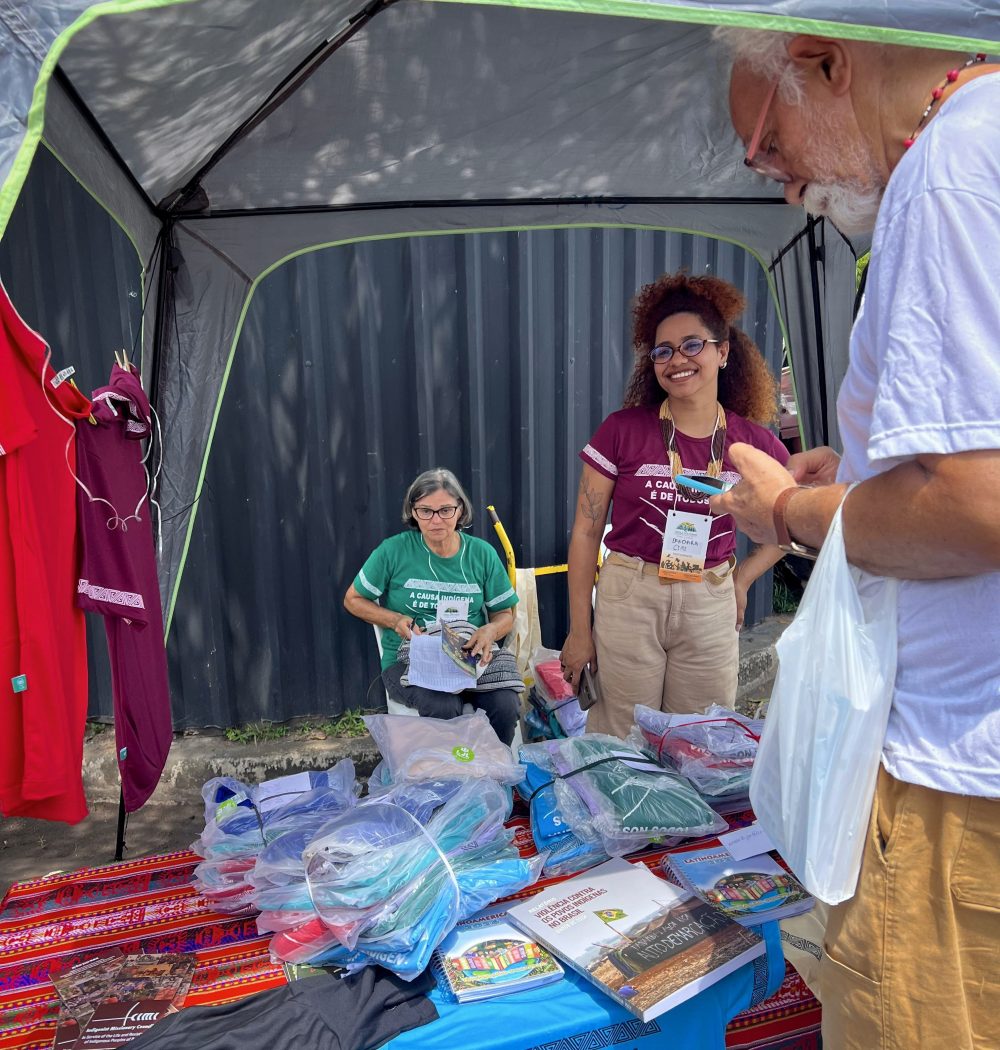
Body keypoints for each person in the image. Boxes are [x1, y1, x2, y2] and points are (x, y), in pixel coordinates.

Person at [712, 28, 1000, 1050]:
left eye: (768, 141)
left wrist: (784, 515)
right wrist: (873, 479)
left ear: (826, 60)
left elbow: (975, 508)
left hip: (954, 790)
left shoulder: (950, 167)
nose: (781, 184)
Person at [559, 272, 788, 739]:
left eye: (692, 345)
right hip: (630, 595)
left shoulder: (754, 443)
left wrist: (742, 579)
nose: (676, 360)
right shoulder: (621, 430)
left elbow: (790, 522)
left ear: (723, 351)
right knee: (622, 735)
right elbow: (585, 532)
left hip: (710, 599)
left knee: (699, 735)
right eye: (662, 350)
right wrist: (579, 630)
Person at [344, 468, 521, 744]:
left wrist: (489, 631)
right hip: (409, 660)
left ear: (460, 510)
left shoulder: (481, 554)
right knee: (443, 706)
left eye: (445, 510)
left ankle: (493, 772)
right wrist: (394, 620)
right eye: (425, 511)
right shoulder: (393, 551)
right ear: (412, 512)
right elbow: (353, 599)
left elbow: (505, 615)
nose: (436, 520)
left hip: (468, 658)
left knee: (506, 704)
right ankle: (450, 779)